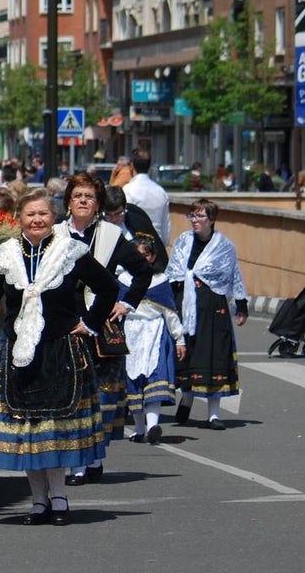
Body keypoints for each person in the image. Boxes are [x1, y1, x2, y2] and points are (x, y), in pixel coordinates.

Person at [0, 189, 118, 526]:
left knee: (53, 429)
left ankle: (59, 500)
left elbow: (108, 287)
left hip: (60, 351)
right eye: (31, 215)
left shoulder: (70, 252)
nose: (37, 220)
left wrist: (89, 323)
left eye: (43, 214)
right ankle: (38, 502)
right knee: (27, 430)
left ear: (54, 217)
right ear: (20, 219)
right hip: (18, 354)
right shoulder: (6, 255)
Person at [54, 173, 153, 487]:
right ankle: (79, 462)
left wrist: (127, 305)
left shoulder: (110, 235)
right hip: (63, 321)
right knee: (70, 394)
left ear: (98, 205)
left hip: (99, 323)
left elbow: (143, 271)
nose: (83, 201)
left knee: (96, 396)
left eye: (90, 196)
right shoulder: (55, 233)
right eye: (78, 195)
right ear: (68, 201)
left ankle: (91, 459)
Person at [166, 198, 247, 430]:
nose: (195, 221)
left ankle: (213, 414)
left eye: (200, 216)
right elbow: (174, 274)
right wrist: (168, 305)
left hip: (212, 306)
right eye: (192, 216)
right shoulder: (183, 241)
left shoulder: (224, 246)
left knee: (214, 356)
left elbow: (234, 277)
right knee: (186, 354)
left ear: (211, 220)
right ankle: (188, 397)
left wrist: (241, 307)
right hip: (185, 304)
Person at [120, 235, 186, 444]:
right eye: (137, 255)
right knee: (133, 382)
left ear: (153, 257)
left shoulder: (160, 281)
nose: (141, 259)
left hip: (155, 333)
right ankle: (139, 428)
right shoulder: (122, 280)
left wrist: (179, 338)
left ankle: (152, 426)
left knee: (154, 378)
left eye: (145, 255)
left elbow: (170, 313)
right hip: (130, 332)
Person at [123, 150, 171, 247]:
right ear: (149, 167)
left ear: (132, 166)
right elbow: (166, 225)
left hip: (134, 247)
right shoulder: (160, 191)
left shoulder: (128, 189)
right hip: (157, 246)